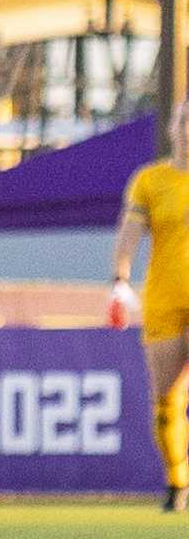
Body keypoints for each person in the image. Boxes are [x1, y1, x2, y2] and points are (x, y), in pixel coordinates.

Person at [109, 98, 189, 513]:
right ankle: (178, 480)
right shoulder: (150, 180)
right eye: (183, 121)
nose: (188, 130)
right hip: (164, 300)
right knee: (166, 401)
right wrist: (120, 280)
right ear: (173, 127)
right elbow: (129, 235)